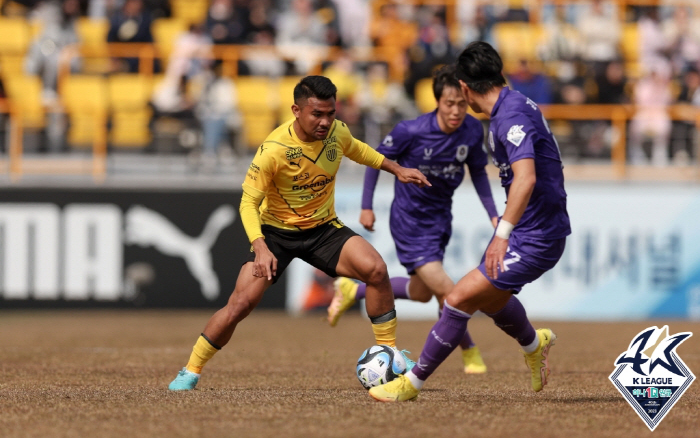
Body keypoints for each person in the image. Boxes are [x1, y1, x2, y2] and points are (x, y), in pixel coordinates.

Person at [168, 75, 431, 391]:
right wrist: (261, 247)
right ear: (296, 110)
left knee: (376, 270)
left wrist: (397, 169)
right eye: (317, 114)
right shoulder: (274, 150)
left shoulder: (336, 133)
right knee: (240, 305)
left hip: (323, 230)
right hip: (276, 236)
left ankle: (391, 356)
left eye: (331, 113)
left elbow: (360, 150)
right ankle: (190, 370)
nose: (325, 121)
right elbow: (248, 203)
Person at [369, 41, 571, 402]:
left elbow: (526, 178)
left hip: (538, 235)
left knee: (457, 298)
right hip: (530, 229)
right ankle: (533, 343)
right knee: (489, 300)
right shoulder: (515, 104)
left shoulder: (509, 117)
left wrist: (502, 233)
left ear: (464, 87)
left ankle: (410, 385)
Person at [327, 65, 499, 375]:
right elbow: (374, 161)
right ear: (437, 102)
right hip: (409, 221)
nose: (456, 110)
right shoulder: (411, 130)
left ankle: (353, 290)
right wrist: (366, 207)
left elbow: (478, 174)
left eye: (461, 103)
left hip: (440, 220)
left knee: (422, 293)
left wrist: (493, 214)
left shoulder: (473, 130)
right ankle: (470, 350)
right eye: (449, 103)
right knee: (450, 290)